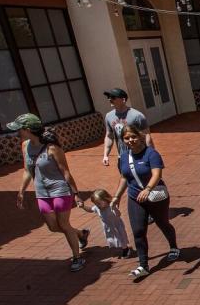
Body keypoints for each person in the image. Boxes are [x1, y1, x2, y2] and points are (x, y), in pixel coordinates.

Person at [9, 113, 89, 272]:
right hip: (41, 193)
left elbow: (65, 172)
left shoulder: (53, 148)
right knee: (53, 227)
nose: (17, 132)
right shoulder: (25, 146)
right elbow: (27, 170)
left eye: (19, 129)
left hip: (60, 190)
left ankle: (77, 257)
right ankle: (80, 234)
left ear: (28, 129)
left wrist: (76, 193)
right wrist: (21, 191)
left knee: (64, 225)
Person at [110, 124, 179, 280]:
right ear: (123, 140)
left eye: (133, 137)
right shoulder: (123, 158)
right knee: (138, 231)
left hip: (155, 196)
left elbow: (157, 174)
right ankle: (143, 266)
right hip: (135, 198)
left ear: (140, 137)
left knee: (163, 223)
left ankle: (174, 247)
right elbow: (124, 178)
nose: (130, 140)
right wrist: (116, 197)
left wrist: (147, 189)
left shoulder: (151, 154)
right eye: (126, 138)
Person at [102, 88, 153, 166]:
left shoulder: (137, 116)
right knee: (125, 178)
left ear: (123, 100)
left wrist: (152, 156)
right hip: (123, 158)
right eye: (109, 97)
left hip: (140, 156)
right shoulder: (109, 116)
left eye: (113, 97)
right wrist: (105, 155)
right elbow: (109, 136)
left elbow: (147, 137)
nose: (110, 99)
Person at [79, 188, 132, 258]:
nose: (97, 205)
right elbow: (90, 209)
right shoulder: (97, 208)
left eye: (99, 203)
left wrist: (114, 208)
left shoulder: (111, 206)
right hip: (108, 227)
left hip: (116, 226)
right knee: (112, 238)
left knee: (121, 238)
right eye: (95, 203)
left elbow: (118, 214)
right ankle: (121, 247)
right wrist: (83, 207)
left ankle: (126, 249)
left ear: (105, 200)